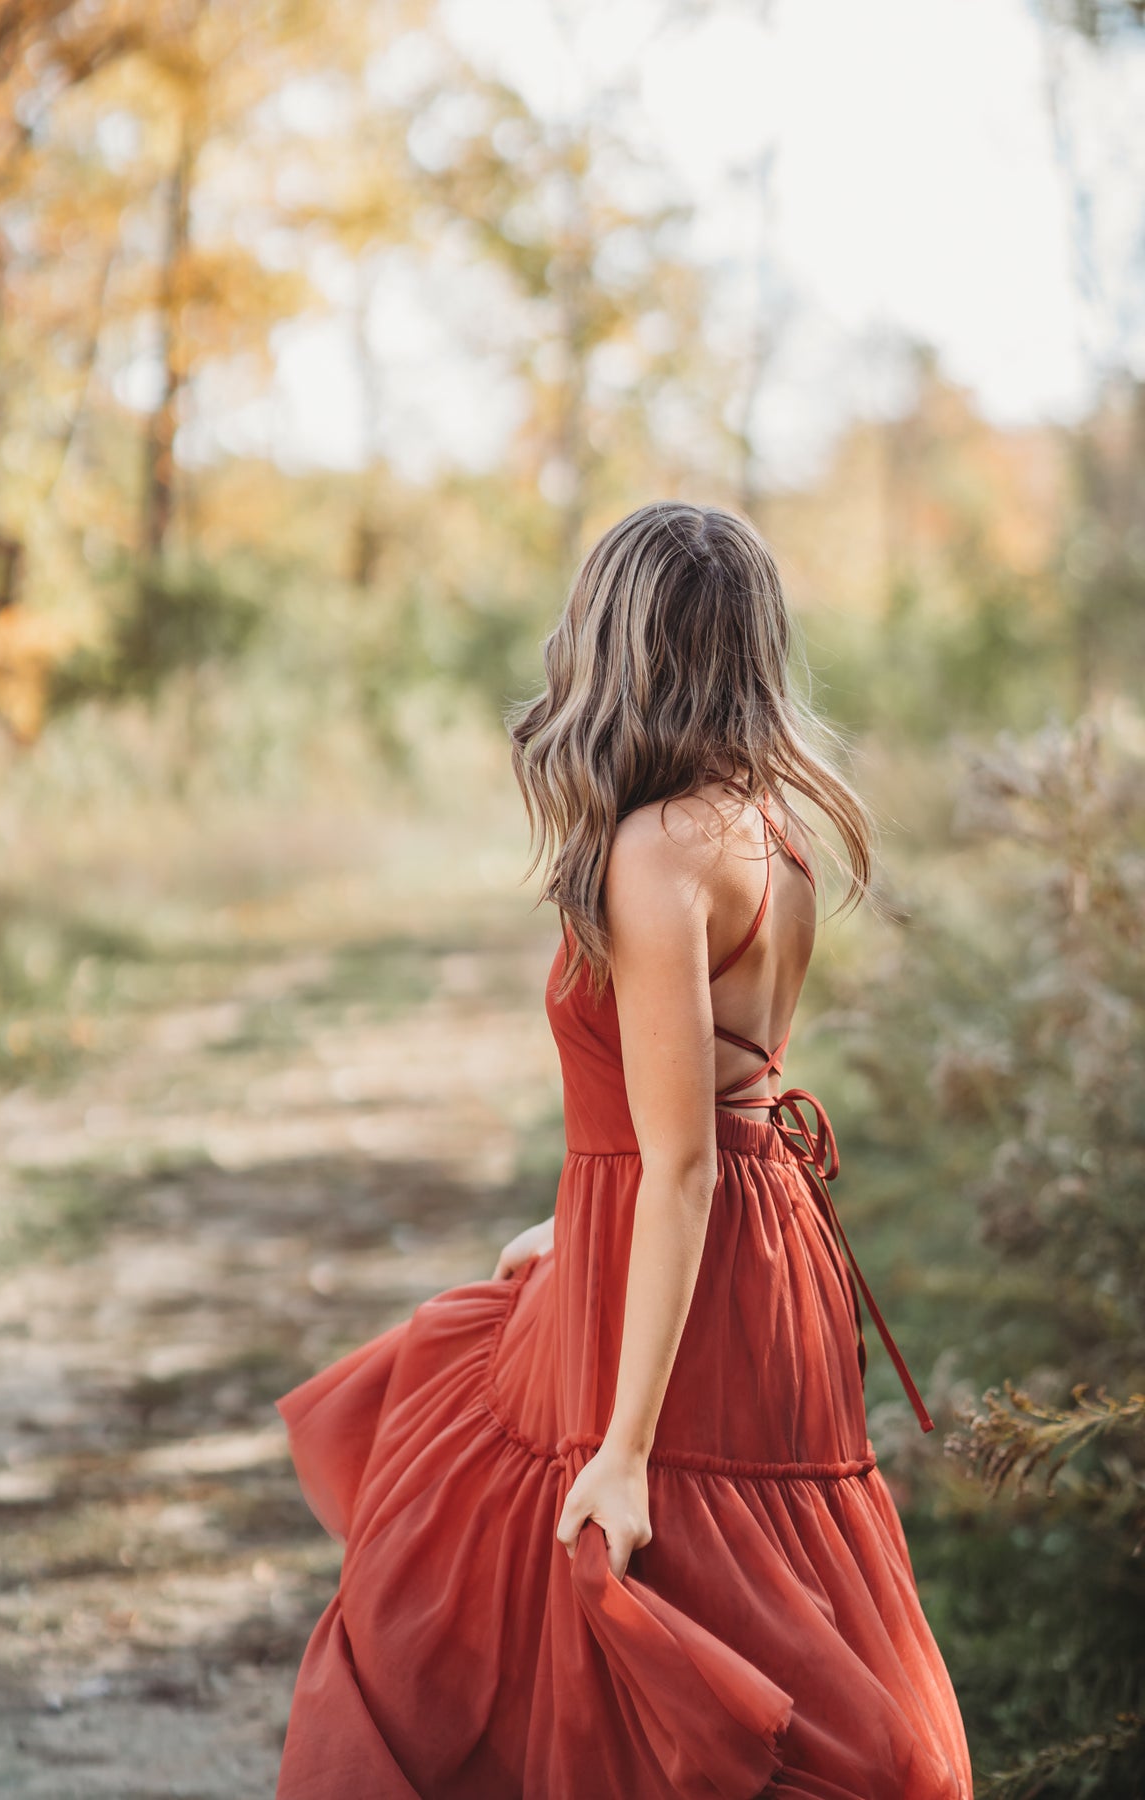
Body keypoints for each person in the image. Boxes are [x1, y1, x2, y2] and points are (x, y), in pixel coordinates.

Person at [272, 500, 974, 1799]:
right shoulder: (768, 828)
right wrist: (571, 1228)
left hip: (695, 1250)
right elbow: (712, 1105)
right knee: (721, 1596)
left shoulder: (660, 852)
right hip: (751, 1247)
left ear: (626, 645)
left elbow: (684, 1160)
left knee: (614, 1578)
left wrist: (630, 1449)